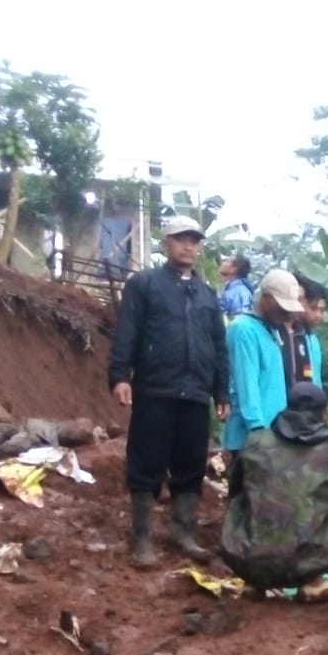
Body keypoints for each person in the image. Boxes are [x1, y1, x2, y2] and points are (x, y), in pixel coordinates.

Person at [108, 215, 229, 568]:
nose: (188, 246)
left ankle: (183, 533)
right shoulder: (144, 284)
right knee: (146, 461)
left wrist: (222, 391)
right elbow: (126, 333)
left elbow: (218, 345)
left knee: (191, 463)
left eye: (193, 240)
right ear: (166, 243)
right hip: (155, 389)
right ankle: (142, 539)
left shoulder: (207, 294)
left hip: (195, 393)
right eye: (180, 239)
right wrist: (120, 376)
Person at [221, 382, 328, 602]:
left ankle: (252, 583)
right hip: (305, 566)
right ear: (324, 414)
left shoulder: (256, 441)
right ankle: (313, 582)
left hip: (247, 560)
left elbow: (234, 488)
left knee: (241, 498)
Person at [222, 269, 307, 457]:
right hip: (253, 439)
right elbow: (246, 384)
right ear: (266, 299)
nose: (287, 314)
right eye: (282, 307)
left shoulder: (272, 330)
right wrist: (258, 429)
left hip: (274, 435)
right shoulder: (244, 328)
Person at [293, 274, 328, 385]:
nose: (318, 315)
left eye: (322, 310)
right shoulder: (289, 338)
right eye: (313, 308)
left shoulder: (313, 340)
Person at [219, 255, 255, 321]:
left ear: (234, 269)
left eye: (227, 260)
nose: (223, 262)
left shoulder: (239, 293)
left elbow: (239, 322)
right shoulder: (231, 290)